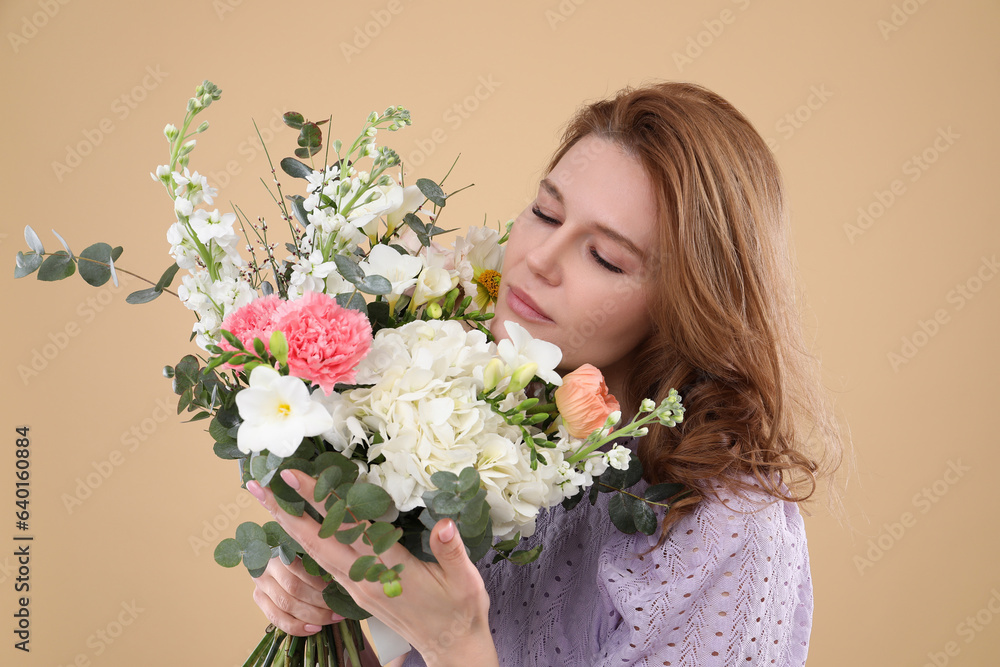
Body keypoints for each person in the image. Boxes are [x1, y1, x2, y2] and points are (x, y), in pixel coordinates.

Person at [243, 81, 846, 666]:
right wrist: (354, 604)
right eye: (545, 212)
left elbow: (455, 646)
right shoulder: (484, 419)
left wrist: (455, 644)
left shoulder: (733, 532)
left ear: (685, 304)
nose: (539, 260)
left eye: (605, 257)